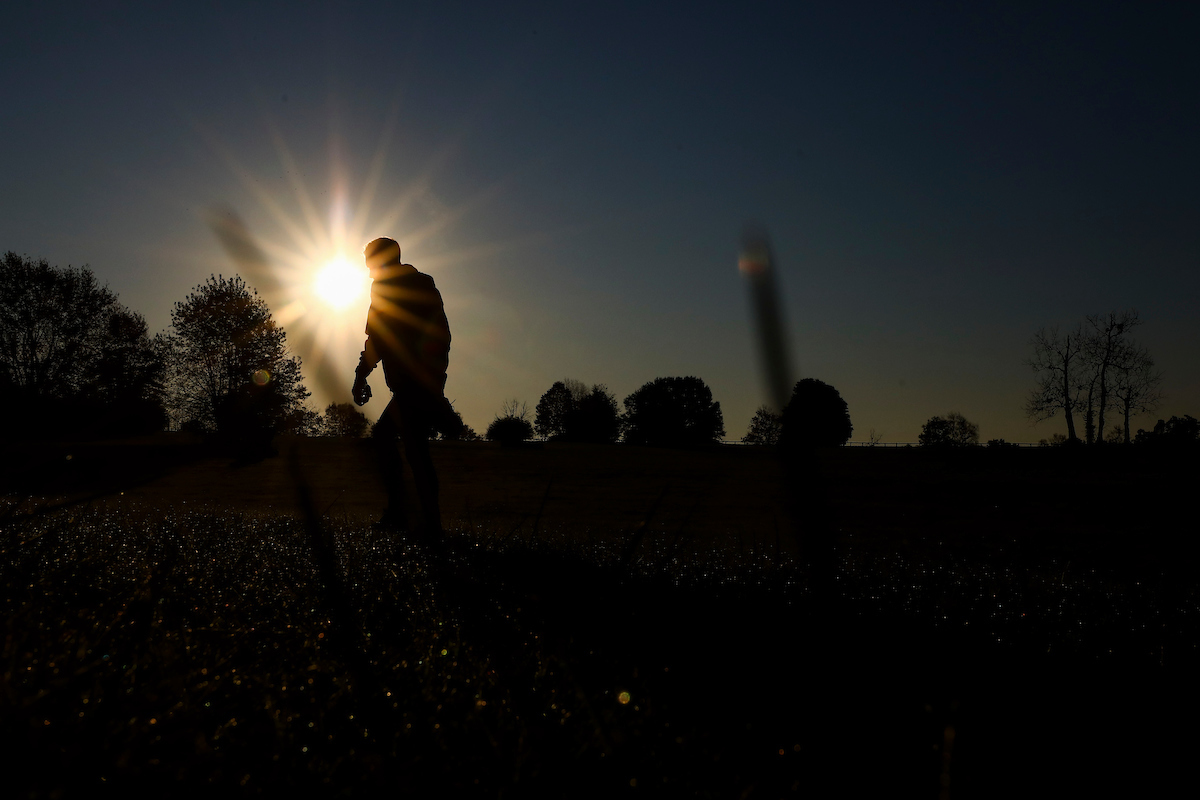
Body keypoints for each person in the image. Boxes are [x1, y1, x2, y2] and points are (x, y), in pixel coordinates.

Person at [352, 237, 458, 535]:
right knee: (408, 448)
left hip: (415, 385)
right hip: (415, 384)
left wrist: (362, 375)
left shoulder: (399, 287)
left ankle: (414, 520)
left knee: (399, 444)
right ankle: (419, 519)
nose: (368, 269)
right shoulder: (418, 285)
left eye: (369, 261)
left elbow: (380, 338)